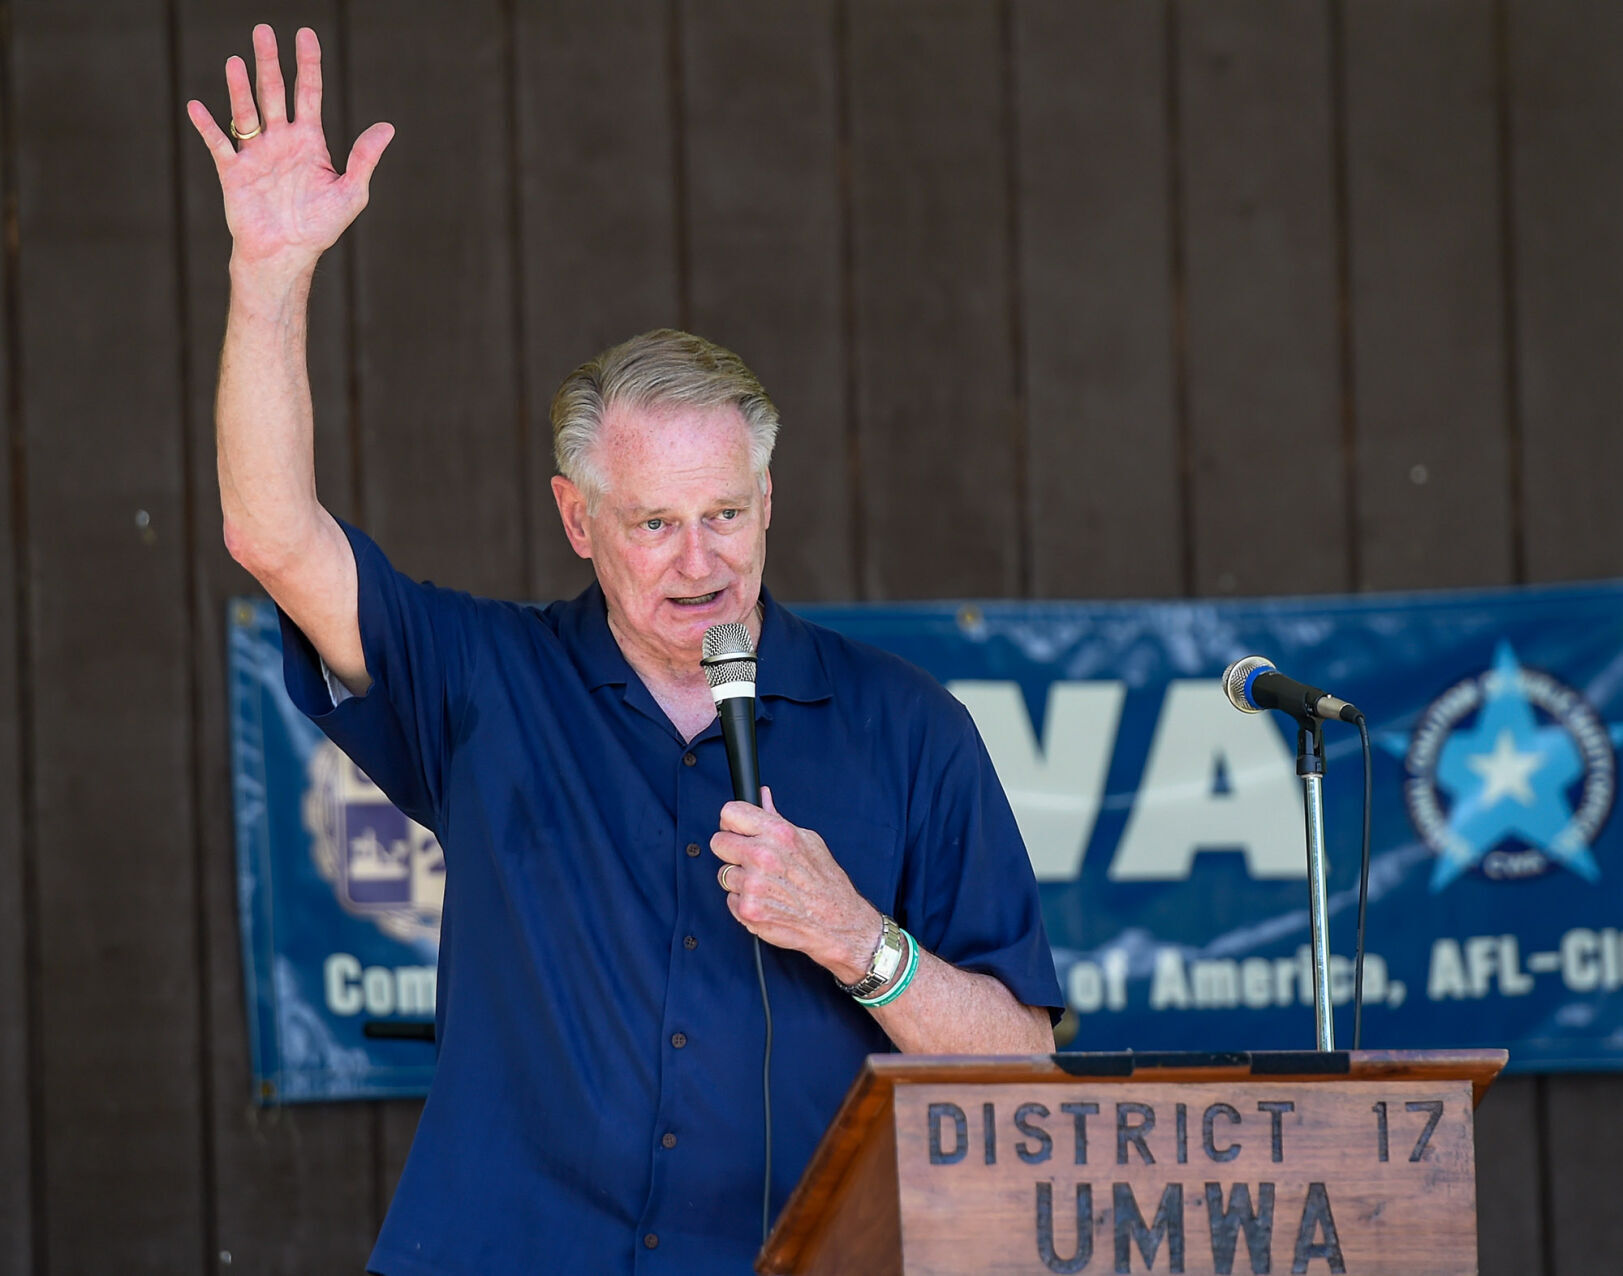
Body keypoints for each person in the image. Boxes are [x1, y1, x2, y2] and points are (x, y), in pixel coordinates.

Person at [190, 24, 1061, 1276]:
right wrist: (271, 278)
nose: (697, 560)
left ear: (770, 504)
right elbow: (270, 532)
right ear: (576, 518)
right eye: (654, 522)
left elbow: (1024, 1062)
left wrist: (859, 939)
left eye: (724, 515)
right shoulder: (488, 680)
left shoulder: (908, 727)